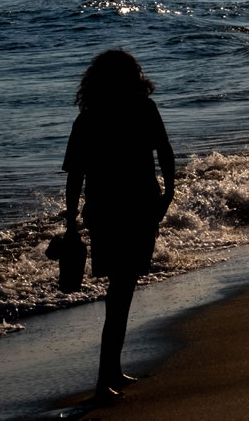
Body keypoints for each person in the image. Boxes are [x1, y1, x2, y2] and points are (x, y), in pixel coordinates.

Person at [63, 49, 175, 401]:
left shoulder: (88, 118)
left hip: (105, 211)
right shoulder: (143, 109)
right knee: (121, 290)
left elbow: (74, 176)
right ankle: (103, 379)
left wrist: (71, 220)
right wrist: (169, 192)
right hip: (139, 207)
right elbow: (165, 152)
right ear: (133, 76)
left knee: (121, 289)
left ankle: (111, 371)